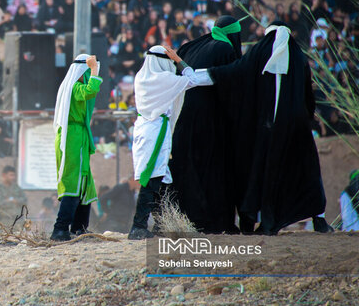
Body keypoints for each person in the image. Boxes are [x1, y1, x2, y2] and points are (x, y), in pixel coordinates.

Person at [208, 21, 331, 235]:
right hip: (296, 127)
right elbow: (307, 94)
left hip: (264, 128)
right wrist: (307, 117)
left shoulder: (259, 51)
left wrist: (206, 74)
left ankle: (253, 223)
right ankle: (319, 220)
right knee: (307, 171)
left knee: (257, 173)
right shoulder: (299, 56)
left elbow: (236, 73)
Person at [128, 45, 214, 240]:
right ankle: (138, 226)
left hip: (145, 128)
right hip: (155, 131)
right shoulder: (164, 79)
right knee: (152, 179)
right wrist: (178, 60)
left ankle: (160, 224)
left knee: (160, 179)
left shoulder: (142, 77)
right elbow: (192, 79)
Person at [169, 16, 242, 234]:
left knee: (189, 169)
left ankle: (187, 220)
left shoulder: (194, 46)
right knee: (213, 172)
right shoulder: (225, 50)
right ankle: (214, 223)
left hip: (185, 117)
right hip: (212, 120)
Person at [50, 54, 102, 242]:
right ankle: (60, 229)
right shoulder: (75, 87)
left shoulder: (70, 86)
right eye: (88, 72)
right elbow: (90, 91)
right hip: (72, 138)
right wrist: (94, 70)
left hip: (74, 136)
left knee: (83, 181)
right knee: (73, 180)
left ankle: (79, 227)